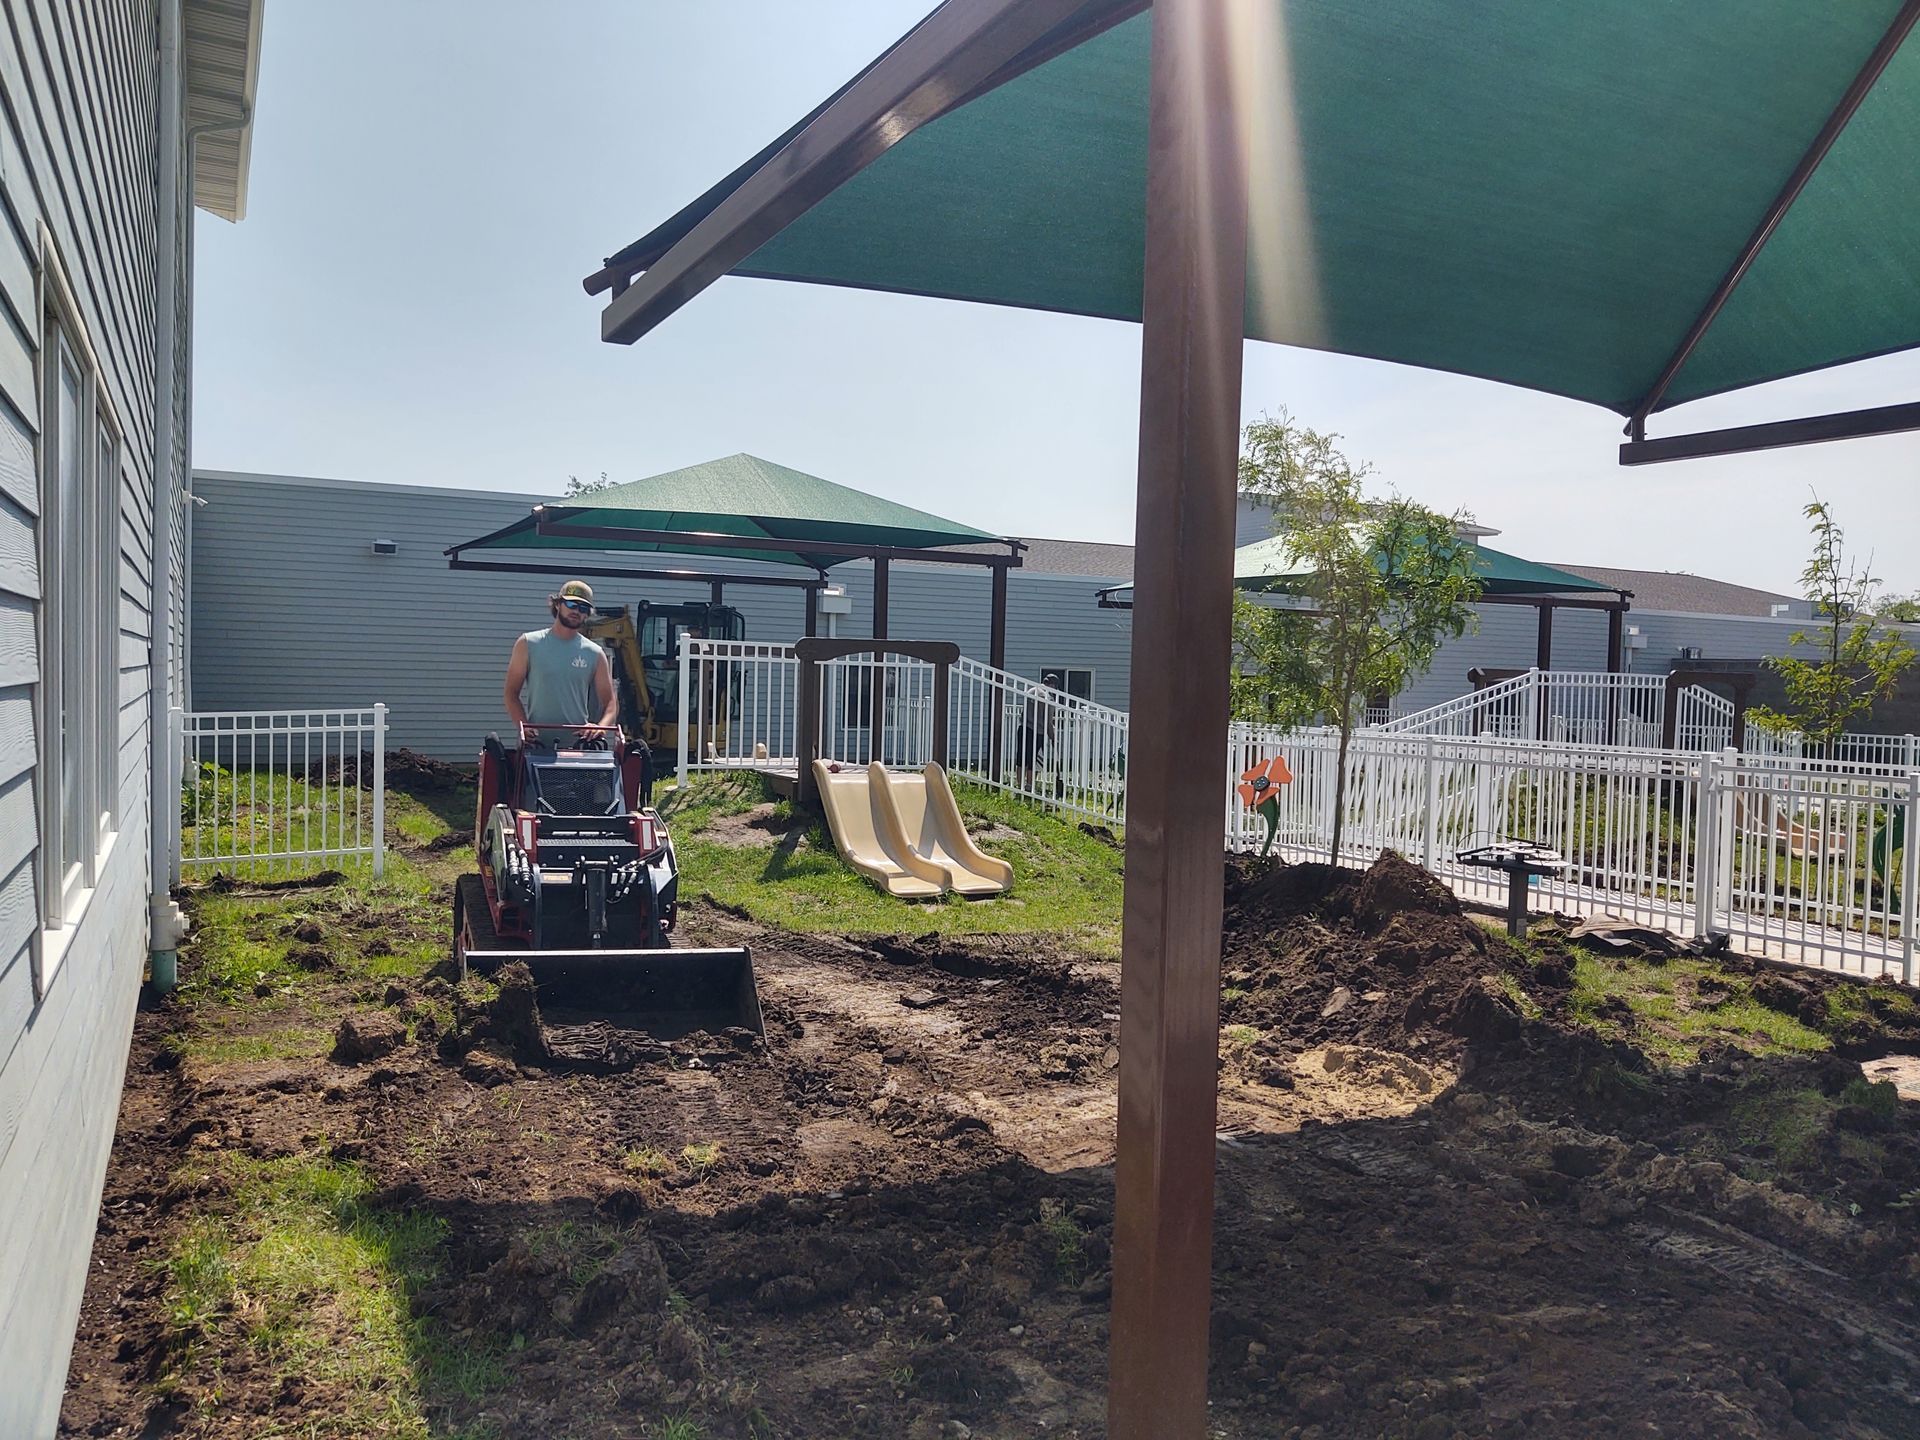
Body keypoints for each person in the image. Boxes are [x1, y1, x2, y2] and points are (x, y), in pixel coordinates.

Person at [503, 579, 618, 739]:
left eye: (583, 608)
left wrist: (600, 727)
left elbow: (610, 703)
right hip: (536, 744)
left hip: (578, 745)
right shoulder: (528, 643)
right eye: (571, 604)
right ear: (557, 605)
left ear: (587, 614)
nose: (576, 611)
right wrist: (524, 727)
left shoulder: (595, 653)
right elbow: (511, 693)